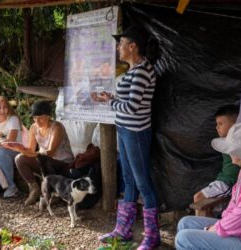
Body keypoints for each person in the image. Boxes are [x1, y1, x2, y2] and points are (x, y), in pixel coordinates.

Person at [91, 24, 160, 249]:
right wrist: (110, 97)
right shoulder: (133, 69)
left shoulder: (141, 70)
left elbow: (131, 107)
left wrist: (110, 101)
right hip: (125, 130)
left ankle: (152, 236)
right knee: (129, 180)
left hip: (135, 133)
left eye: (121, 43)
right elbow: (129, 101)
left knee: (142, 183)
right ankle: (123, 231)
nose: (118, 47)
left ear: (133, 46)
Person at [176, 121, 241, 250]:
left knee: (184, 238)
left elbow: (239, 219)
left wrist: (213, 229)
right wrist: (220, 224)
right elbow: (235, 203)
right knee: (186, 223)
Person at [4, 100, 74, 206]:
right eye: (34, 118)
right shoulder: (34, 127)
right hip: (44, 160)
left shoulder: (57, 127)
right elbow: (31, 150)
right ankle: (34, 189)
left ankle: (54, 195)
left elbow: (50, 152)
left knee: (44, 160)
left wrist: (34, 154)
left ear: (48, 116)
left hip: (62, 163)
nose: (37, 121)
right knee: (20, 158)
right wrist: (19, 149)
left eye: (40, 117)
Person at [193, 105, 240, 217]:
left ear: (234, 125)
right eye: (216, 124)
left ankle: (203, 231)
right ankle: (208, 228)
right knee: (203, 202)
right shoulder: (223, 141)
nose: (216, 127)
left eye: (220, 124)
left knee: (199, 198)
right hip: (223, 180)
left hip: (230, 182)